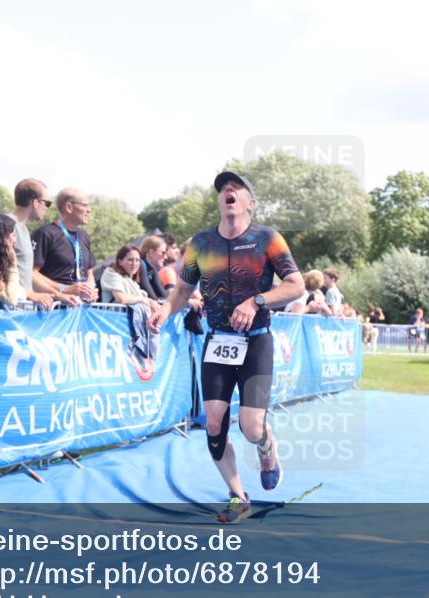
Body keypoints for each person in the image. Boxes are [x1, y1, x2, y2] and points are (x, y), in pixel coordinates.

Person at [149, 171, 303, 523]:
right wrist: (164, 310)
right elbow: (183, 291)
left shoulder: (267, 238)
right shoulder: (201, 243)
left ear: (251, 202)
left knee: (250, 427)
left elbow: (295, 285)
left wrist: (257, 301)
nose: (228, 191)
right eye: (223, 189)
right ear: (220, 201)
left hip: (256, 340)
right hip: (217, 340)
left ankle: (266, 445)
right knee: (215, 422)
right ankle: (237, 496)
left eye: (237, 188)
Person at [9, 178, 78, 309]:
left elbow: (29, 274)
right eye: (47, 203)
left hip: (21, 309)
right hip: (7, 309)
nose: (47, 208)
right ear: (35, 203)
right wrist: (30, 295)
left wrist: (59, 295)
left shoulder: (23, 229)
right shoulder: (5, 225)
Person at [31, 188, 98, 303]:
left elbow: (89, 273)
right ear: (69, 207)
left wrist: (90, 289)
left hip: (81, 308)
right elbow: (32, 273)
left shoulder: (84, 236)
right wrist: (64, 289)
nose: (89, 210)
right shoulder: (45, 234)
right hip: (53, 307)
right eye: (85, 205)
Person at [99, 244, 159, 309]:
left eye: (137, 260)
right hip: (114, 314)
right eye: (130, 260)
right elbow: (121, 299)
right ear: (120, 261)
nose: (134, 263)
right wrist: (143, 299)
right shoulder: (111, 273)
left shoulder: (131, 280)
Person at [138, 235, 168, 300]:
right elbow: (146, 289)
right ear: (151, 253)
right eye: (163, 253)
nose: (166, 257)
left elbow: (163, 295)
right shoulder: (141, 264)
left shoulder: (153, 269)